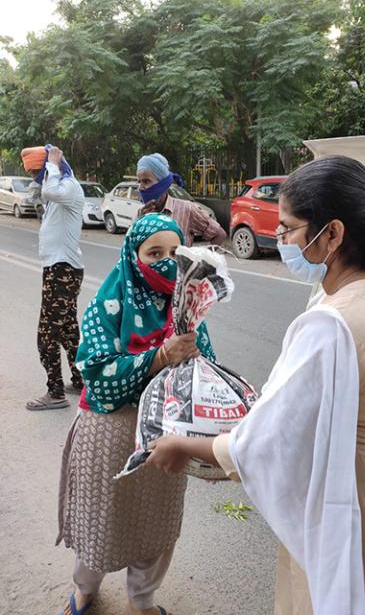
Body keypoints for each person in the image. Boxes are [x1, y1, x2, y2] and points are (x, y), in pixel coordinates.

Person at [145, 156, 365, 615]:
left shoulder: (332, 324)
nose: (280, 240)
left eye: (287, 229)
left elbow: (264, 445)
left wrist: (181, 443)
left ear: (333, 234)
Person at [56, 213, 215, 615]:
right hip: (110, 429)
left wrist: (194, 359)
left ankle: (140, 600)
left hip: (166, 435)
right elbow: (97, 377)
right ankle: (84, 591)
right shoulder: (106, 305)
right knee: (101, 517)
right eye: (154, 252)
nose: (165, 262)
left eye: (174, 253)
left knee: (157, 523)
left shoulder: (188, 306)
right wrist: (159, 357)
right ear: (134, 255)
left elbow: (206, 372)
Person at [21, 145, 85, 411]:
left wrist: (53, 164)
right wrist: (47, 174)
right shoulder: (57, 189)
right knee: (69, 331)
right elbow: (41, 193)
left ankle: (55, 392)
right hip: (58, 269)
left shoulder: (67, 186)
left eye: (38, 170)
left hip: (63, 270)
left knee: (46, 333)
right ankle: (81, 380)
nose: (38, 176)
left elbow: (48, 189)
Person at [136, 153, 227, 247]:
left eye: (146, 181)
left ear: (163, 184)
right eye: (139, 182)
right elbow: (131, 252)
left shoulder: (187, 209)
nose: (140, 187)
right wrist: (139, 225)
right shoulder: (140, 214)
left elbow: (219, 235)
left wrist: (200, 259)